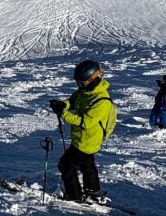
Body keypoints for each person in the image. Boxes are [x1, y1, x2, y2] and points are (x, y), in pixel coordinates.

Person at [49, 60, 117, 203]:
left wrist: (64, 114)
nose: (79, 86)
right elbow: (74, 100)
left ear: (93, 78)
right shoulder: (85, 91)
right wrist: (64, 105)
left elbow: (85, 122)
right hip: (81, 139)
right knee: (87, 165)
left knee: (65, 165)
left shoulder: (102, 101)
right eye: (78, 83)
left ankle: (74, 196)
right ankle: (93, 190)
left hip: (87, 141)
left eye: (82, 82)